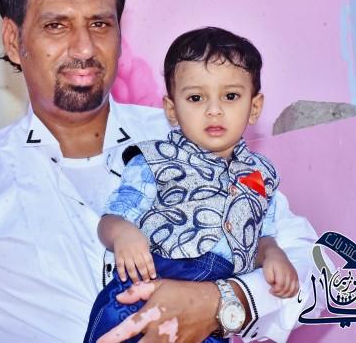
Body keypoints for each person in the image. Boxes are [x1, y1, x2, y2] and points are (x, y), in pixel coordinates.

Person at [0, 0, 318, 342]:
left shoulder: (193, 139)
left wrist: (222, 303)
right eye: (56, 26)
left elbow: (318, 275)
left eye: (100, 24)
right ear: (12, 39)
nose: (84, 48)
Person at [85, 27, 299, 343]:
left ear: (254, 107)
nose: (214, 110)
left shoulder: (262, 175)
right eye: (196, 98)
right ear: (172, 109)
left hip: (210, 314)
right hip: (144, 289)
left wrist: (273, 254)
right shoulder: (154, 160)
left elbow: (259, 237)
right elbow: (111, 219)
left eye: (230, 96)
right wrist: (122, 234)